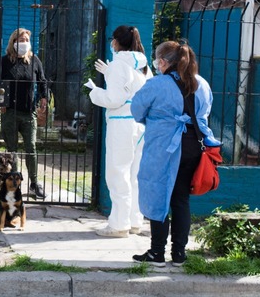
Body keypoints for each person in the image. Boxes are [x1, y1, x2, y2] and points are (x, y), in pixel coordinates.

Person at [130, 40, 220, 267]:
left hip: (164, 147)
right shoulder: (202, 83)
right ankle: (179, 254)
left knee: (159, 195)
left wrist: (158, 120)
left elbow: (137, 110)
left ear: (162, 61)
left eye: (156, 61)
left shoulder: (156, 84)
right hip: (193, 147)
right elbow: (205, 112)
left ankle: (156, 253)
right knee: (180, 198)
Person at [84, 25, 151, 238]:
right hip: (140, 124)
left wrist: (95, 92)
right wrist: (110, 73)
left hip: (121, 122)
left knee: (117, 172)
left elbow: (114, 99)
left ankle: (118, 225)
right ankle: (134, 221)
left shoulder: (118, 65)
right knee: (135, 175)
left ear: (116, 42)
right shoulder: (144, 66)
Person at [0, 28, 48, 199]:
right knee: (12, 150)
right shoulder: (4, 62)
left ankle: (34, 183)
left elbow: (43, 80)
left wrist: (44, 97)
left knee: (31, 147)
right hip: (10, 112)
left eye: (26, 40)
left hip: (29, 112)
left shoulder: (34, 60)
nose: (24, 43)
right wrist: (0, 101)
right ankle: (14, 183)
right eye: (20, 40)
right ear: (13, 42)